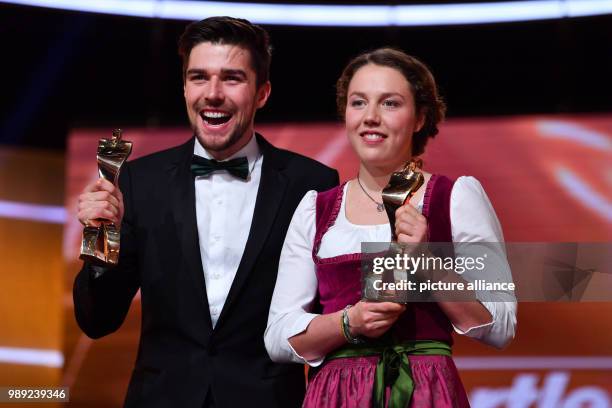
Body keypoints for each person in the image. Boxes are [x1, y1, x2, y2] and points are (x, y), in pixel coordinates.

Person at [73, 16, 339, 408]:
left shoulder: (311, 182)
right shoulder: (138, 182)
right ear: (184, 88)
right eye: (199, 77)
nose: (212, 93)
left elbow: (331, 309)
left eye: (232, 78)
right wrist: (99, 239)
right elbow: (98, 321)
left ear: (262, 92)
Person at [265, 48, 517, 407]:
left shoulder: (455, 197)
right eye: (358, 103)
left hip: (425, 392)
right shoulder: (314, 209)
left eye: (390, 104)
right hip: (336, 396)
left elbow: (501, 325)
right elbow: (277, 336)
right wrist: (349, 323)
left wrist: (427, 263)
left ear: (420, 118)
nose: (370, 117)